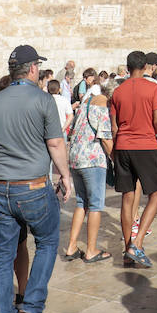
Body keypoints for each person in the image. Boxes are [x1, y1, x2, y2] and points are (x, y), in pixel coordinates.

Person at [0, 44, 71, 313]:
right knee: (47, 241)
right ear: (33, 69)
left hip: (1, 187)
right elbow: (55, 144)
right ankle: (30, 310)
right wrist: (66, 176)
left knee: (2, 254)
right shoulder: (44, 100)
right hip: (33, 186)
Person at [108, 51, 157, 269]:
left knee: (127, 197)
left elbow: (114, 127)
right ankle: (138, 242)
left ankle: (127, 251)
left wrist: (115, 151)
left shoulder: (117, 92)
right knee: (156, 194)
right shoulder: (153, 88)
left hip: (123, 146)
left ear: (128, 67)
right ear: (145, 68)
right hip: (145, 145)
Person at [62, 76, 113, 263]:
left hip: (75, 158)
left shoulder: (84, 105)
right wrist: (116, 158)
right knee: (96, 205)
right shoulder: (103, 108)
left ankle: (71, 246)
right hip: (93, 160)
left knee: (81, 203)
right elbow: (106, 138)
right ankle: (91, 249)